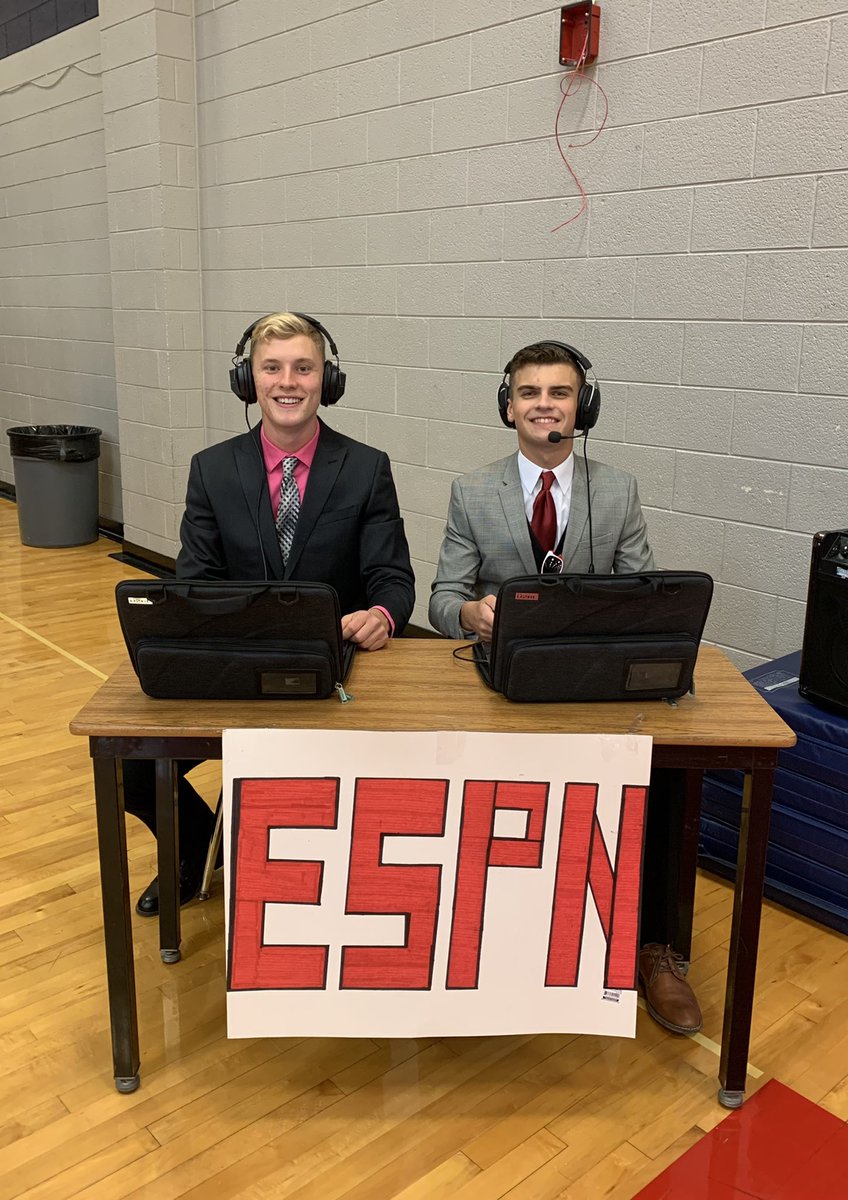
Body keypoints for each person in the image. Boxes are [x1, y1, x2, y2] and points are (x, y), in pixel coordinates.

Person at [428, 339, 702, 1036]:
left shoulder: (618, 489)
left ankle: (654, 949)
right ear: (508, 406)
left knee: (667, 775)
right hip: (507, 683)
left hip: (593, 680)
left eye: (560, 392)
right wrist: (471, 614)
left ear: (584, 406)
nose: (544, 405)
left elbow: (644, 594)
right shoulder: (472, 490)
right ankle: (499, 940)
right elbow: (442, 599)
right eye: (529, 392)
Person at [125, 311, 415, 917]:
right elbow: (194, 580)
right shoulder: (212, 468)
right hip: (236, 660)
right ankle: (196, 848)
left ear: (326, 380)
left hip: (330, 669)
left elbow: (392, 577)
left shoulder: (367, 467)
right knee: (131, 762)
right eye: (272, 368)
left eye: (304, 368)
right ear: (248, 380)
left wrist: (383, 614)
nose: (288, 382)